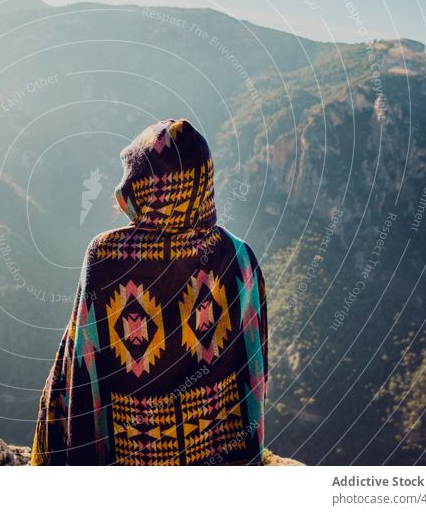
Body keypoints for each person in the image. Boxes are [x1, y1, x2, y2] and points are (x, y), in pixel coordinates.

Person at [31, 119, 268, 465]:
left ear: (140, 187)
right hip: (220, 455)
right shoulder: (239, 256)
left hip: (133, 455)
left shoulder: (107, 256)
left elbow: (81, 362)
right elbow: (251, 364)